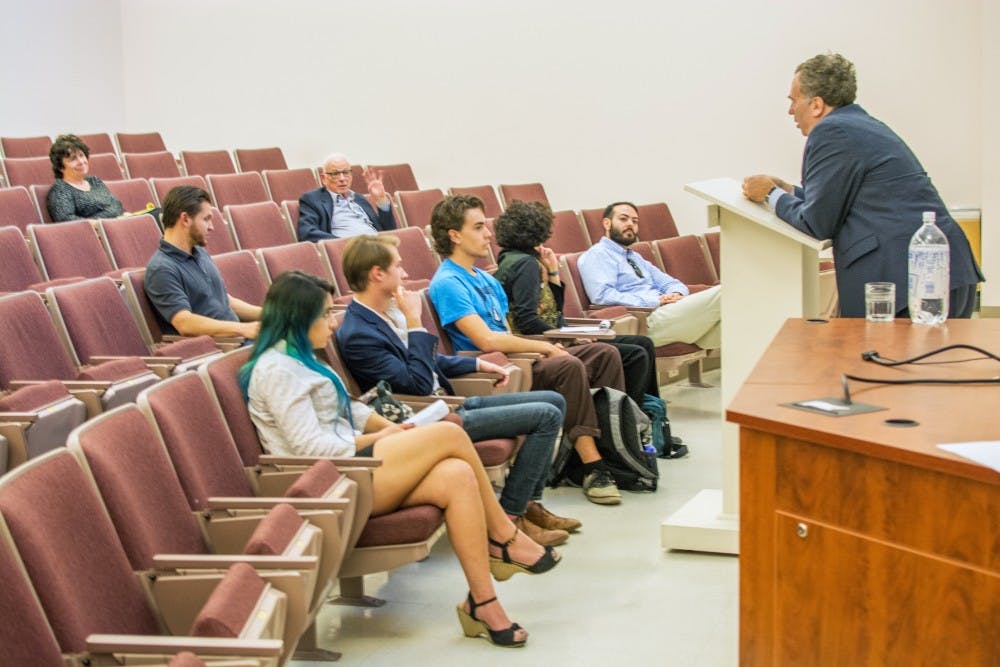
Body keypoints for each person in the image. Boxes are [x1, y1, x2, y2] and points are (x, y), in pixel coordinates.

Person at [241, 271, 560, 647]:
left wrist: (390, 428)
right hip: (330, 486)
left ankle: (483, 603)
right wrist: (380, 437)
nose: (332, 323)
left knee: (456, 474)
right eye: (325, 314)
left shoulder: (304, 359)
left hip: (353, 467)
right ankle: (503, 537)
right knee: (450, 433)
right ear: (298, 318)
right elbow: (311, 449)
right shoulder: (276, 370)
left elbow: (349, 410)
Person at [336, 234, 580, 545]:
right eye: (398, 266)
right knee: (545, 416)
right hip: (427, 419)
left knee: (553, 401)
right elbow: (417, 384)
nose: (405, 273)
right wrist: (414, 323)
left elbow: (425, 359)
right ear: (377, 273)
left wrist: (477, 366)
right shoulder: (359, 333)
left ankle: (528, 505)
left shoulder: (387, 313)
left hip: (446, 404)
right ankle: (510, 516)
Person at [742, 52, 983, 318]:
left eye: (793, 100)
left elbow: (817, 223)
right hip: (939, 270)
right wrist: (788, 190)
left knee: (903, 360)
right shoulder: (860, 125)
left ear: (816, 105)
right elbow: (841, 200)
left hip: (908, 278)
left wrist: (771, 194)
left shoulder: (831, 132)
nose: (790, 110)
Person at [428, 194, 627, 506]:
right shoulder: (448, 282)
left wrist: (551, 346)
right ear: (454, 235)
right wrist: (546, 350)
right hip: (494, 371)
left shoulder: (484, 278)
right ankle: (592, 465)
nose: (488, 234)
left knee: (604, 354)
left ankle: (612, 449)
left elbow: (507, 333)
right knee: (568, 366)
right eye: (479, 227)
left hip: (517, 359)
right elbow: (488, 341)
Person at [492, 200, 688, 459]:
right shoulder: (525, 264)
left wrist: (552, 273)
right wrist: (569, 336)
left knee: (642, 345)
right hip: (546, 345)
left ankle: (644, 422)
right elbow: (530, 321)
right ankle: (628, 429)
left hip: (554, 337)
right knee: (632, 353)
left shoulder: (519, 260)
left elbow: (553, 313)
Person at [578, 202, 721, 349]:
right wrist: (655, 301)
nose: (630, 224)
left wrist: (674, 294)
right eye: (623, 219)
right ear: (607, 223)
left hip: (668, 313)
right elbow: (602, 296)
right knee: (726, 292)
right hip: (645, 322)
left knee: (737, 320)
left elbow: (671, 283)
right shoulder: (597, 255)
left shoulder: (634, 257)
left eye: (635, 221)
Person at [145, 186, 261, 338]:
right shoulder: (161, 268)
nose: (211, 227)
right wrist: (242, 329)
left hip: (237, 339)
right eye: (206, 219)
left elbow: (225, 301)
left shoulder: (200, 253)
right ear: (185, 219)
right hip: (220, 347)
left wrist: (272, 315)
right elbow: (184, 322)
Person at [297, 153, 397, 241]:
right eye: (335, 174)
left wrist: (381, 200)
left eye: (346, 173)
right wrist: (342, 245)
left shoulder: (359, 199)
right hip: (352, 253)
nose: (342, 178)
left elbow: (390, 231)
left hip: (380, 247)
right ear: (323, 178)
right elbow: (307, 233)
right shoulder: (313, 199)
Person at [46, 134, 124, 222]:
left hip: (114, 226)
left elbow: (117, 205)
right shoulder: (60, 189)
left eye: (82, 155)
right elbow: (66, 220)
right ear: (60, 167)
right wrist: (98, 223)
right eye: (73, 159)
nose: (81, 162)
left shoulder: (94, 181)